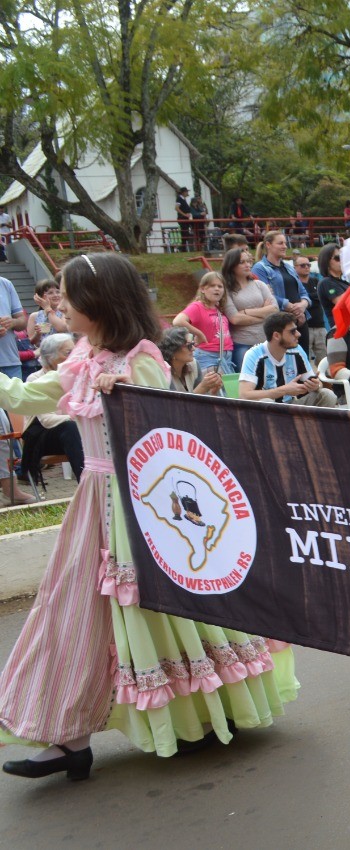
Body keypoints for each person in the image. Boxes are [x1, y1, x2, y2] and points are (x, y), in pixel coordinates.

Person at [0, 253, 299, 778]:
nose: (59, 306)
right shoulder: (81, 358)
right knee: (69, 614)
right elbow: (27, 393)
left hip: (141, 506)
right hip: (92, 502)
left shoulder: (140, 360)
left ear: (99, 302)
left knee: (158, 613)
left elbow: (166, 437)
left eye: (69, 297)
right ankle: (68, 736)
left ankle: (200, 716)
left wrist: (131, 399)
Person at [19, 333, 85, 482]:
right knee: (70, 427)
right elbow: (47, 420)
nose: (73, 357)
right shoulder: (35, 379)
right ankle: (85, 481)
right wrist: (79, 417)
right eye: (68, 353)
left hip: (71, 432)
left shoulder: (77, 376)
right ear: (50, 356)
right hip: (41, 435)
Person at [238, 312, 336, 406]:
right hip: (266, 411)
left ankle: (312, 424)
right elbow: (244, 395)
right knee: (266, 402)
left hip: (290, 406)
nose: (298, 334)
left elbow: (313, 382)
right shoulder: (254, 355)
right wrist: (284, 390)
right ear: (276, 335)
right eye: (292, 331)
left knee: (327, 395)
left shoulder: (297, 350)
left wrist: (316, 385)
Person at [253, 231, 313, 353]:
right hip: (281, 324)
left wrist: (302, 305)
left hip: (300, 320)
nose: (285, 246)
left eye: (285, 243)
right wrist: (289, 306)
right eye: (280, 243)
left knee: (303, 359)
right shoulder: (260, 268)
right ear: (268, 245)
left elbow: (303, 292)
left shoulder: (289, 267)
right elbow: (266, 296)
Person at [221, 247, 277, 369]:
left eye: (249, 261)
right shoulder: (226, 290)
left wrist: (246, 312)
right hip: (242, 344)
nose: (247, 265)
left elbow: (274, 310)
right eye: (242, 262)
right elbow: (235, 319)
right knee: (246, 382)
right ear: (231, 265)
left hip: (266, 342)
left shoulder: (259, 284)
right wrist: (263, 314)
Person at [173, 271, 235, 375]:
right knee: (214, 389)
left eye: (220, 286)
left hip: (226, 356)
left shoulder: (218, 307)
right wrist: (199, 334)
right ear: (202, 289)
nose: (217, 289)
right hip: (208, 355)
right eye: (212, 286)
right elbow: (178, 321)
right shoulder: (198, 306)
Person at [159, 327, 223, 395]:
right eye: (189, 346)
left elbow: (201, 401)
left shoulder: (194, 364)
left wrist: (212, 391)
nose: (193, 349)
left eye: (192, 344)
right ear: (173, 350)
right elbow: (174, 404)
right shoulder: (163, 373)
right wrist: (202, 387)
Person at [294, 254, 327, 364]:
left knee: (325, 360)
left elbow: (321, 297)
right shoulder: (294, 283)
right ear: (295, 267)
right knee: (304, 360)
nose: (307, 267)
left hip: (320, 326)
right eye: (302, 265)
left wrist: (306, 299)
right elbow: (297, 299)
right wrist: (312, 297)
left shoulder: (316, 281)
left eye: (308, 265)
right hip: (304, 327)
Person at [315, 242, 348, 333]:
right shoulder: (326, 282)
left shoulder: (344, 282)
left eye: (343, 257)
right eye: (338, 258)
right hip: (343, 333)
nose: (342, 261)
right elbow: (345, 304)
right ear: (326, 261)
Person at [0, 273, 28, 381]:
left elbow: (22, 320)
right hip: (10, 361)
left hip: (10, 361)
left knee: (16, 398)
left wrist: (13, 322)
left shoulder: (5, 284)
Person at [26, 279, 68, 347]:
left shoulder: (65, 311)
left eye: (58, 292)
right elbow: (31, 342)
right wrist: (37, 334)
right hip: (44, 353)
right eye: (50, 293)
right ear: (40, 297)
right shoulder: (34, 316)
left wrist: (48, 309)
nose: (55, 295)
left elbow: (61, 328)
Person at [175, 187, 193, 251]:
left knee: (185, 232)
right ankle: (182, 248)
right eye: (186, 192)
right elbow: (177, 208)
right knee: (184, 233)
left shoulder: (183, 199)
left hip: (186, 219)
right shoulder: (179, 199)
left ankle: (183, 247)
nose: (187, 193)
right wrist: (185, 214)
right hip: (182, 218)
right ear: (183, 192)